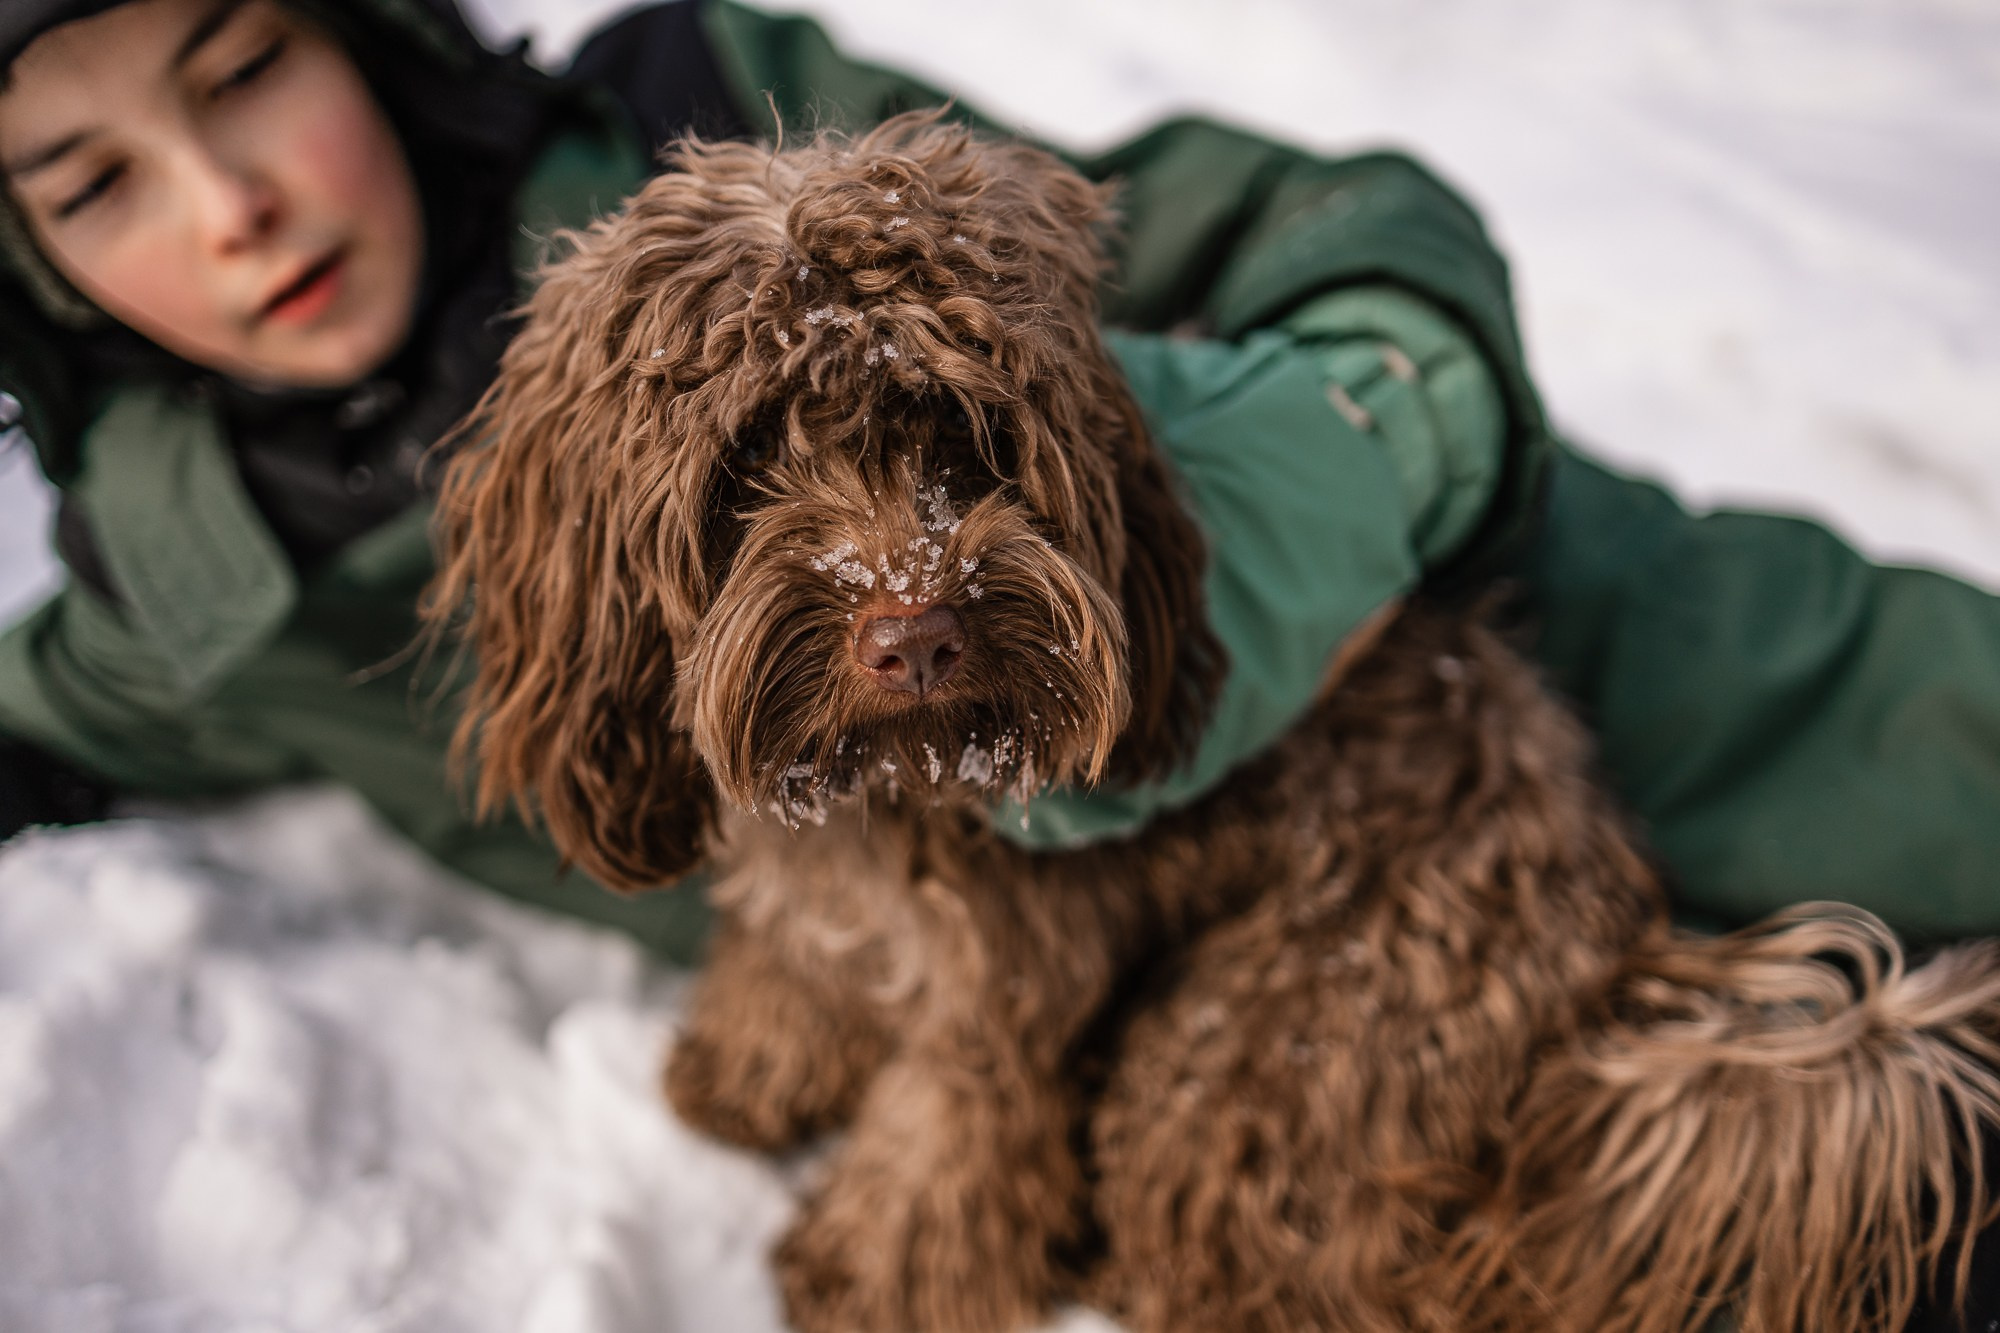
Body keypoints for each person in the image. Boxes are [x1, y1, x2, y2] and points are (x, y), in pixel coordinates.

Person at [1, 0, 1997, 1321]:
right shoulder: (179, 590)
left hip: (1546, 692)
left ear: (378, 34)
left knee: (1238, 1226)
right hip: (1230, 908)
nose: (232, 203)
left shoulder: (752, 126)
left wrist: (1362, 425)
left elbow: (1337, 219)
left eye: (246, 59)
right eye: (88, 181)